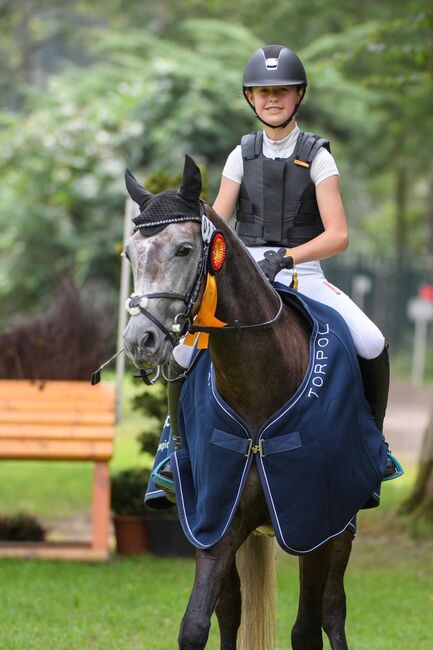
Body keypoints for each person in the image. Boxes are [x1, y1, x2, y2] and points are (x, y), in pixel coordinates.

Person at [159, 44, 399, 495]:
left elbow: (339, 235)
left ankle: (374, 446)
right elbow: (217, 222)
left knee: (371, 342)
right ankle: (177, 451)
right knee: (181, 353)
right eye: (263, 91)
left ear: (299, 95)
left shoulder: (319, 156)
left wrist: (287, 257)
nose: (273, 99)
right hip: (245, 274)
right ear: (250, 98)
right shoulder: (240, 155)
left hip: (303, 272)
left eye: (282, 91)